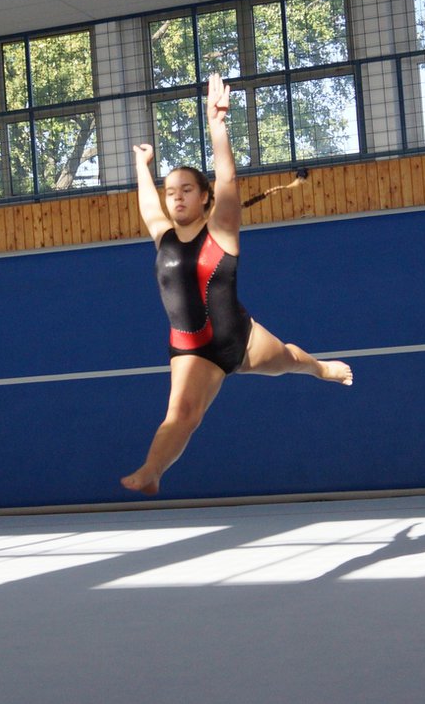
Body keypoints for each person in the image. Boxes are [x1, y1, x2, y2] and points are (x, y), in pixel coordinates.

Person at [120, 73, 354, 496]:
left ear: (204, 197)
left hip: (239, 338)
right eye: (171, 192)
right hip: (191, 349)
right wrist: (141, 167)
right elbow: (148, 206)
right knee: (184, 413)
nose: (176, 197)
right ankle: (152, 471)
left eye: (186, 190)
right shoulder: (164, 237)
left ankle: (321, 369)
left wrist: (217, 125)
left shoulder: (221, 231)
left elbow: (228, 180)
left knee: (289, 359)